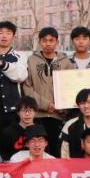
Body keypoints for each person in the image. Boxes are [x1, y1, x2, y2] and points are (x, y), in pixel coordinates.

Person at [22, 26, 72, 155]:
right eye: (44, 40)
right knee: (37, 151)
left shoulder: (65, 62)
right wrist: (46, 105)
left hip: (58, 116)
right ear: (40, 42)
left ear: (57, 42)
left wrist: (62, 106)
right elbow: (27, 87)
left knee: (55, 152)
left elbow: (70, 87)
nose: (48, 44)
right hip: (37, 116)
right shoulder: (31, 60)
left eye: (51, 40)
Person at [0, 96, 38, 161]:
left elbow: (45, 154)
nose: (27, 114)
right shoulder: (8, 132)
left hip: (36, 165)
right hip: (15, 165)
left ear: (35, 113)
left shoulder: (40, 131)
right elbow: (4, 156)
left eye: (30, 110)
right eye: (24, 110)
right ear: (18, 112)